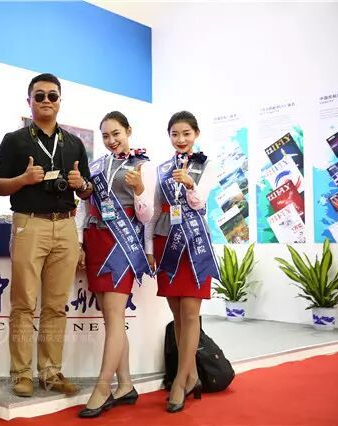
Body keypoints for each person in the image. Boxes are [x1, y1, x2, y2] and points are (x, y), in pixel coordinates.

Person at [0, 73, 92, 397]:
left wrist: (81, 185)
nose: (46, 101)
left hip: (65, 225)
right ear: (29, 101)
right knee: (23, 303)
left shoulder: (74, 143)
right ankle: (21, 374)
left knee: (56, 305)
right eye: (40, 96)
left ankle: (51, 372)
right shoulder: (14, 140)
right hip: (29, 223)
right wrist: (23, 179)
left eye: (52, 95)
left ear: (60, 100)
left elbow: (88, 190)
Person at [75, 112, 155, 418]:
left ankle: (102, 388)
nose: (111, 140)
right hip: (96, 240)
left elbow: (147, 215)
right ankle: (125, 385)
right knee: (112, 320)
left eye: (116, 133)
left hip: (122, 243)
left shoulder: (142, 165)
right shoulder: (97, 165)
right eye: (106, 135)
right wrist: (80, 242)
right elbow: (84, 206)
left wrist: (139, 190)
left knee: (114, 314)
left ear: (128, 131)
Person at [145, 111, 220, 413]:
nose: (180, 139)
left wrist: (190, 184)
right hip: (166, 242)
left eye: (186, 133)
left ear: (196, 134)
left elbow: (200, 203)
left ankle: (179, 381)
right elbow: (154, 209)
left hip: (194, 243)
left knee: (191, 314)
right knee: (177, 313)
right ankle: (191, 376)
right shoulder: (162, 168)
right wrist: (149, 248)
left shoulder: (207, 165)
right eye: (175, 134)